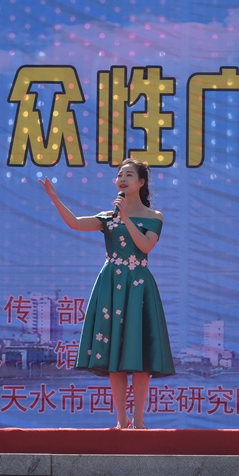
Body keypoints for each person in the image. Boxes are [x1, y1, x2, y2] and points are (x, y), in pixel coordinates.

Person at [41, 158, 175, 429]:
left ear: (141, 182)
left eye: (129, 175)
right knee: (115, 351)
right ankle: (121, 418)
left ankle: (139, 419)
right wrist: (55, 198)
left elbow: (145, 246)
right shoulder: (107, 217)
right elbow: (75, 223)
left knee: (139, 352)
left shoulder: (154, 217)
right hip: (111, 285)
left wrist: (125, 218)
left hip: (138, 286)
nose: (122, 179)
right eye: (119, 175)